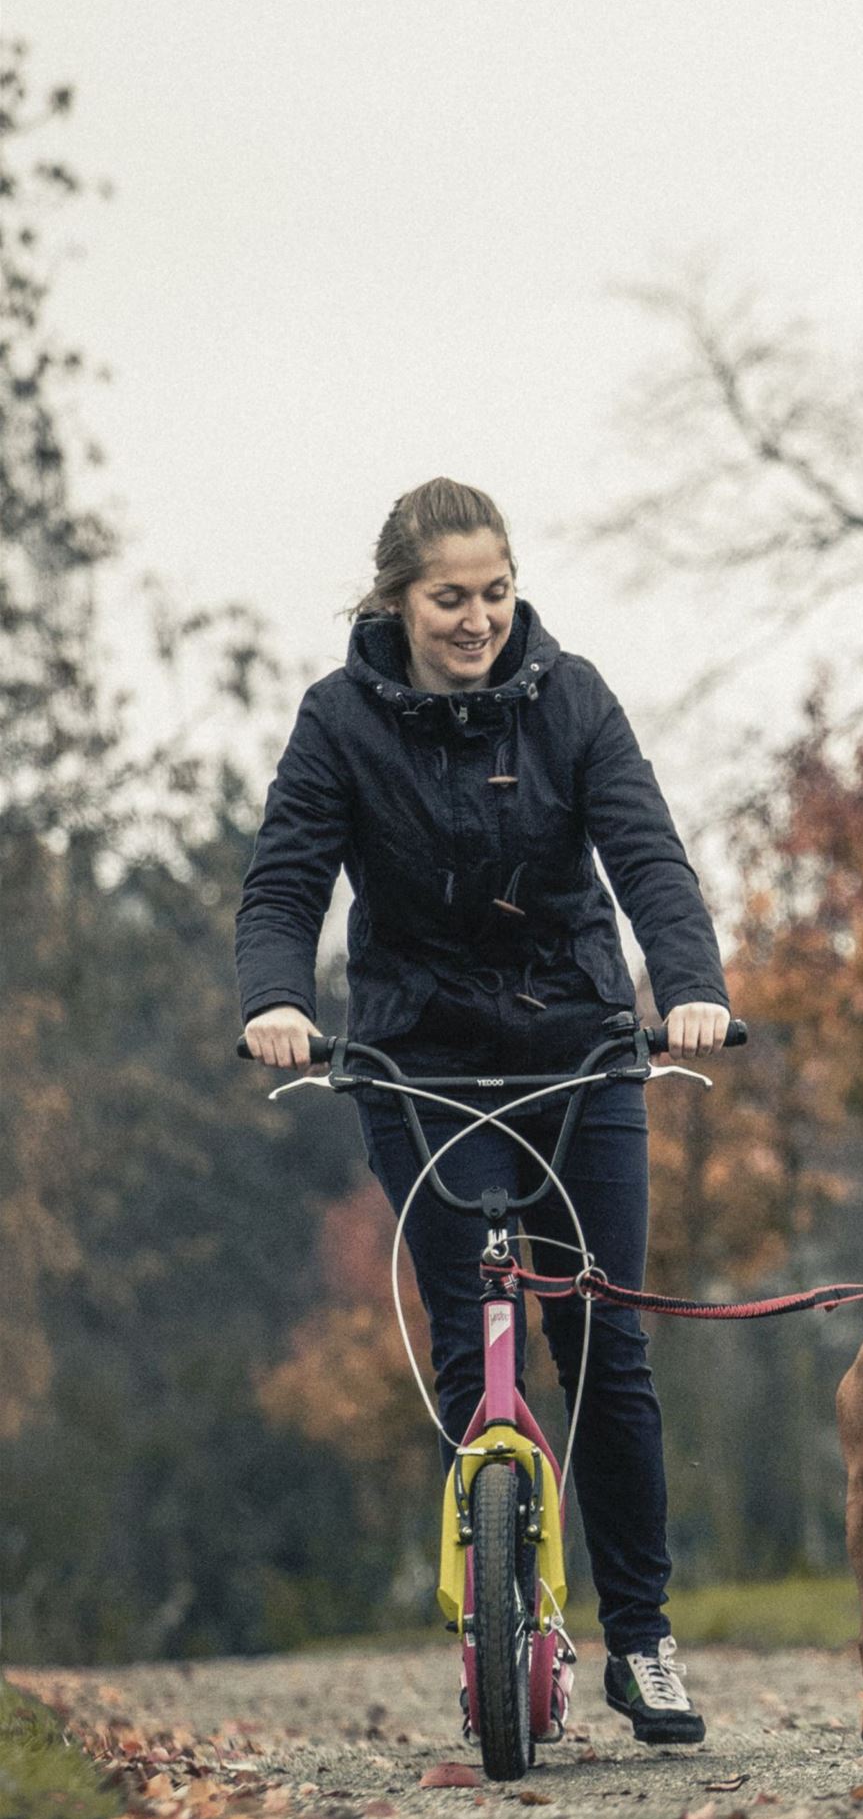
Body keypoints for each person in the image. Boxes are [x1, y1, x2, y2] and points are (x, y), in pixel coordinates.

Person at [237, 478, 729, 1746]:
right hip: (415, 1060)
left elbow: (647, 856)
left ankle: (646, 1639)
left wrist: (689, 991)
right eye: (449, 598)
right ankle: (504, 1612)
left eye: (495, 593)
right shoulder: (338, 722)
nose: (477, 619)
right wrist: (277, 1001)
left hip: (576, 1045)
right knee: (475, 1334)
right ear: (396, 600)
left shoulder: (573, 700)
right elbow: (286, 881)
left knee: (604, 1345)